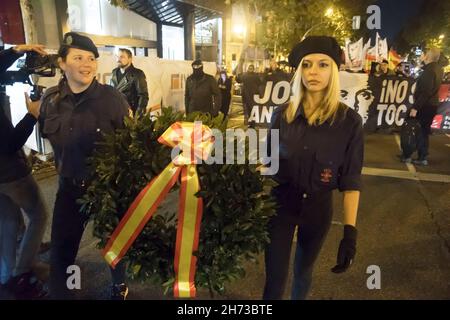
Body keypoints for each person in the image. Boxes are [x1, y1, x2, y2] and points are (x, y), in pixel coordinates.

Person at [263, 36, 364, 300]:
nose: (313, 72)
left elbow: (351, 181)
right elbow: (266, 163)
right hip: (280, 207)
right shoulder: (281, 114)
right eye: (306, 65)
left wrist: (350, 234)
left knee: (303, 274)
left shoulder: (349, 122)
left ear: (334, 70)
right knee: (274, 278)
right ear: (299, 72)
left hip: (319, 210)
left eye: (322, 64)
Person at [38, 32, 130, 299]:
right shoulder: (51, 100)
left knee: (115, 245)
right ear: (62, 63)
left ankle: (119, 286)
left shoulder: (112, 99)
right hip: (69, 189)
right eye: (78, 57)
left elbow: (131, 143)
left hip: (107, 190)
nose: (86, 63)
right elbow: (47, 135)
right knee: (63, 252)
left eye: (91, 58)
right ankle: (66, 292)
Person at [0, 44, 49, 299]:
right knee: (39, 214)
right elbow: (9, 144)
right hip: (10, 172)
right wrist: (32, 115)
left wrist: (18, 50)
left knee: (7, 222)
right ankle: (21, 274)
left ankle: (7, 275)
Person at [401, 48, 443, 165]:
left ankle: (410, 154)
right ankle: (420, 156)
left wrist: (415, 107)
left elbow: (426, 92)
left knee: (416, 130)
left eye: (424, 54)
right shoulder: (438, 69)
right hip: (430, 105)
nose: (421, 56)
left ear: (428, 56)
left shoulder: (430, 70)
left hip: (425, 106)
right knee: (423, 131)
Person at [110, 48, 149, 116]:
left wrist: (137, 116)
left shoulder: (137, 73)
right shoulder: (114, 72)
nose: (118, 59)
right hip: (115, 113)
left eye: (122, 57)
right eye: (117, 56)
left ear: (130, 59)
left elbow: (143, 96)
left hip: (130, 115)